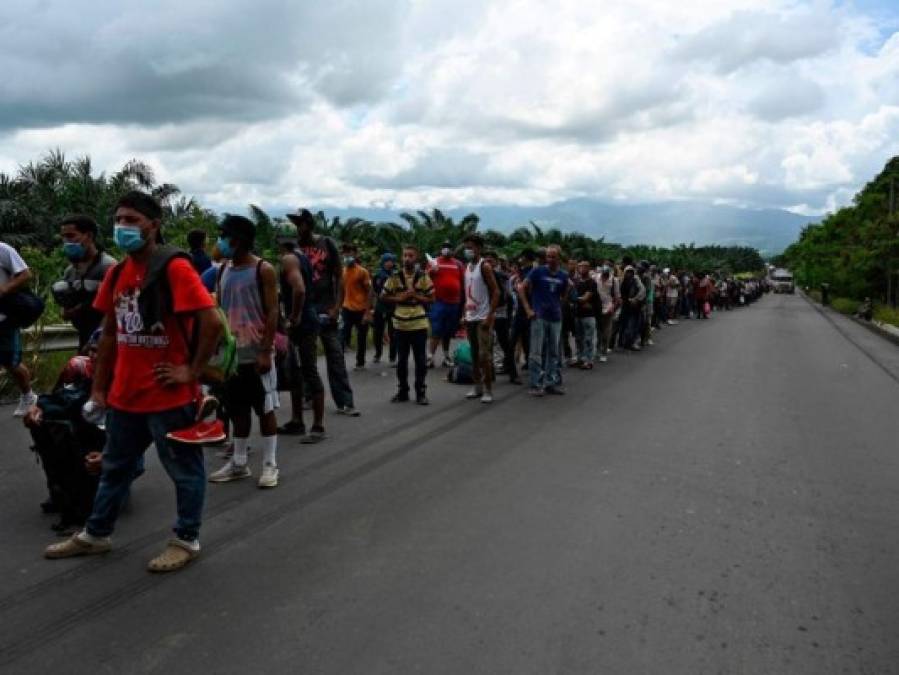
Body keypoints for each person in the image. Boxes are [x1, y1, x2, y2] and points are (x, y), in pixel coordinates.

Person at [44, 190, 223, 573]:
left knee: (184, 471)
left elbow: (211, 322)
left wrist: (190, 371)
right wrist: (98, 388)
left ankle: (186, 539)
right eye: (119, 219)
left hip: (169, 396)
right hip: (126, 395)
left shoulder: (174, 268)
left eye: (132, 220)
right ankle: (96, 534)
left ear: (153, 226)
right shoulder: (118, 272)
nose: (123, 227)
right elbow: (109, 334)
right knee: (115, 468)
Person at [208, 216, 281, 488]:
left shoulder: (263, 269)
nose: (220, 241)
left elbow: (273, 311)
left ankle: (270, 464)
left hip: (256, 352)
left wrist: (265, 350)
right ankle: (239, 462)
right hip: (231, 355)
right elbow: (220, 311)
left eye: (223, 235)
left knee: (265, 408)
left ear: (237, 240)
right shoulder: (222, 271)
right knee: (237, 409)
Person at [287, 208, 359, 416]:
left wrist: (337, 307)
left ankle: (345, 401)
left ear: (309, 224)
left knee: (335, 356)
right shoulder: (294, 248)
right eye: (295, 224)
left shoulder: (326, 244)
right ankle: (309, 397)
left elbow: (339, 276)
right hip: (305, 309)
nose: (297, 228)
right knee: (307, 358)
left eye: (300, 223)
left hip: (327, 308)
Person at [276, 236, 327, 443]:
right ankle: (297, 420)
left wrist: (294, 316)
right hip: (305, 320)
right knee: (295, 372)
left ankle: (318, 426)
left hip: (303, 323)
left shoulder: (289, 259)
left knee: (308, 371)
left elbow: (299, 289)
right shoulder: (302, 257)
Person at [53, 215, 117, 349]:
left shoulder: (108, 266)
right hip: (84, 336)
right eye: (64, 237)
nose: (66, 242)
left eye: (71, 236)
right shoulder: (70, 271)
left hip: (106, 338)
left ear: (88, 236)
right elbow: (66, 311)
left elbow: (116, 308)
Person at [382, 245, 434, 404]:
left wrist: (416, 297)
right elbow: (383, 296)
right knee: (401, 361)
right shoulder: (394, 276)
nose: (407, 259)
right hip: (400, 325)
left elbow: (432, 299)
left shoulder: (423, 276)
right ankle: (403, 391)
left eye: (410, 256)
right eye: (405, 255)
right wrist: (400, 298)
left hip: (419, 324)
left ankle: (420, 392)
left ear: (416, 257)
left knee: (420, 361)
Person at [518, 244, 569, 396]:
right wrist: (528, 309)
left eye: (553, 256)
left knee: (553, 352)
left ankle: (550, 383)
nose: (550, 259)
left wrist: (559, 306)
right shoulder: (538, 271)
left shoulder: (563, 276)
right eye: (548, 256)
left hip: (555, 318)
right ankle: (536, 384)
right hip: (539, 317)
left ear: (559, 258)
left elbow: (565, 292)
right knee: (536, 352)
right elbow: (521, 288)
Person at [0, 240, 38, 416]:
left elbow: (25, 274)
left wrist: (4, 289)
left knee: (11, 362)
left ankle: (28, 395)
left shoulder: (3, 249)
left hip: (4, 317)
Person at [462, 234, 500, 403]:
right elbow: (468, 293)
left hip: (483, 317)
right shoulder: (467, 267)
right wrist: (464, 314)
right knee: (474, 354)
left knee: (485, 355)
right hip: (470, 316)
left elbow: (496, 292)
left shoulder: (484, 267)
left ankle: (488, 389)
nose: (468, 250)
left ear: (479, 248)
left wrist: (490, 316)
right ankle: (477, 386)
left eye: (471, 247)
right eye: (466, 247)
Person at [427, 240, 465, 368]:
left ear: (453, 250)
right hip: (438, 301)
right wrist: (432, 271)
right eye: (444, 247)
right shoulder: (434, 262)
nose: (447, 249)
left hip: (454, 302)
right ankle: (430, 357)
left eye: (449, 247)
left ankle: (446, 356)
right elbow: (425, 279)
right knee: (436, 330)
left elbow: (463, 281)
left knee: (448, 332)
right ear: (441, 249)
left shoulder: (458, 264)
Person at [340, 243, 373, 371]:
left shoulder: (362, 272)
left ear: (355, 254)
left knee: (361, 337)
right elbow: (341, 291)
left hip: (361, 309)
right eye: (345, 253)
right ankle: (339, 362)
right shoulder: (342, 272)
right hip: (346, 309)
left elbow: (370, 291)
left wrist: (367, 312)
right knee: (342, 335)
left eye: (350, 253)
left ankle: (360, 362)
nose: (347, 255)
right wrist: (338, 307)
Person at [371, 253, 397, 365]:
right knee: (378, 332)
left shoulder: (395, 275)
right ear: (383, 262)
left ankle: (392, 357)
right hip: (381, 306)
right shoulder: (378, 275)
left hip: (393, 307)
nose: (390, 263)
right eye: (387, 261)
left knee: (393, 333)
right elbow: (375, 290)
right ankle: (377, 354)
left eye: (391, 261)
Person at [574, 260, 598, 369]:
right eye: (580, 267)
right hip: (578, 313)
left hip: (589, 315)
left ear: (588, 268)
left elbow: (585, 298)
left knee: (588, 339)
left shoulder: (592, 282)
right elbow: (574, 297)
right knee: (578, 338)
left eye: (584, 267)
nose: (581, 269)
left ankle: (589, 361)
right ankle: (580, 358)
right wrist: (578, 299)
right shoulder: (577, 282)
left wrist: (576, 299)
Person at [595, 262, 618, 363]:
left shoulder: (614, 280)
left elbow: (617, 297)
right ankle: (597, 350)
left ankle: (604, 352)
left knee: (606, 333)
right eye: (603, 275)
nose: (604, 277)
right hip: (597, 308)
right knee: (597, 331)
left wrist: (613, 307)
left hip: (608, 308)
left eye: (606, 275)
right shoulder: (595, 278)